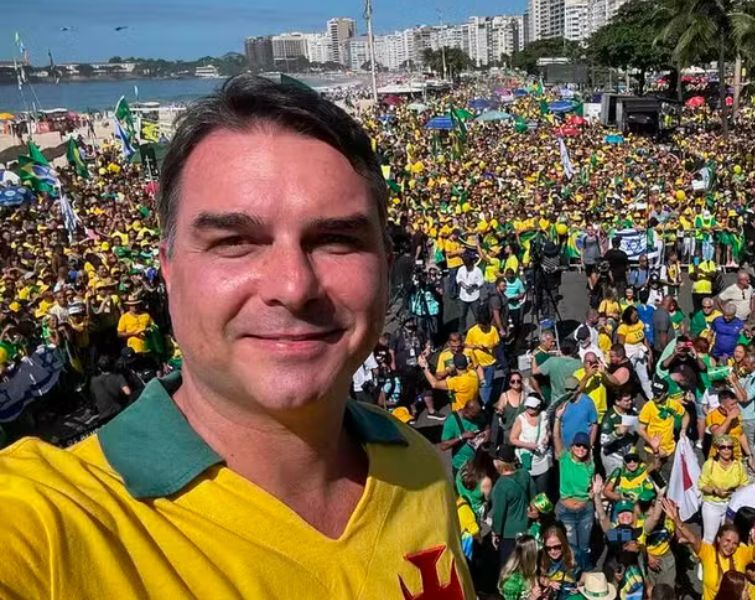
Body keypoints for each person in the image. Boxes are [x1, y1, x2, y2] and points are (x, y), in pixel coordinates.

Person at [0, 77, 474, 596]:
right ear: (169, 269)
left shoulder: (420, 468)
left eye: (336, 239)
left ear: (386, 266)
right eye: (234, 241)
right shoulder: (51, 520)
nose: (293, 286)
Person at [663, 496, 742, 600]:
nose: (730, 546)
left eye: (735, 543)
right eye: (727, 541)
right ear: (718, 539)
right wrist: (676, 519)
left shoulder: (741, 552)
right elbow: (693, 539)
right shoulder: (708, 552)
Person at [553, 424, 598, 571]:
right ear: (572, 446)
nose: (581, 449)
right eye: (578, 445)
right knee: (571, 547)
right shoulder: (564, 459)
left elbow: (592, 486)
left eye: (584, 447)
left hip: (585, 510)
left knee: (584, 547)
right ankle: (573, 575)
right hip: (566, 511)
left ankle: (585, 573)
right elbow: (556, 437)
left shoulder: (590, 465)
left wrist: (593, 492)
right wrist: (558, 419)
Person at [490, 445, 537, 562]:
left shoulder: (500, 486)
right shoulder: (525, 474)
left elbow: (499, 515)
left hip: (509, 536)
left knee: (510, 570)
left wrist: (495, 533)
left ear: (498, 463)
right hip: (528, 530)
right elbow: (534, 499)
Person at [700, 433, 750, 542]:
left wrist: (735, 491)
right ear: (717, 449)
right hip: (712, 504)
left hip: (731, 504)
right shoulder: (709, 464)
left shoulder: (738, 465)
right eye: (723, 447)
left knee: (728, 537)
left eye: (729, 447)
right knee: (710, 538)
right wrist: (715, 491)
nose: (726, 450)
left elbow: (744, 483)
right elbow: (702, 485)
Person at [638, 379, 685, 473]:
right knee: (652, 474)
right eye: (654, 393)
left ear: (666, 393)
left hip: (670, 449)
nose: (655, 396)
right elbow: (640, 429)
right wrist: (652, 444)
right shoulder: (648, 406)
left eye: (658, 394)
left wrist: (683, 429)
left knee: (673, 477)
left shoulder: (673, 404)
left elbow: (685, 415)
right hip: (653, 450)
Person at [510, 396, 553, 494]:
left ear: (538, 407)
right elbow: (512, 439)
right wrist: (528, 445)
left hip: (542, 460)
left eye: (532, 407)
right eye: (528, 407)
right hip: (526, 459)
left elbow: (548, 431)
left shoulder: (544, 416)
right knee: (528, 490)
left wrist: (547, 437)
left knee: (542, 492)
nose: (529, 409)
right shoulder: (521, 418)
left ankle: (541, 509)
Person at [439, 393, 488, 474]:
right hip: (461, 466)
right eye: (473, 417)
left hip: (478, 463)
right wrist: (462, 437)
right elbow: (443, 446)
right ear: (466, 411)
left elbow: (487, 425)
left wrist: (487, 434)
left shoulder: (479, 415)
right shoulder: (451, 421)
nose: (476, 419)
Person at [465, 306, 501, 407]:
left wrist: (490, 346)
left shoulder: (493, 330)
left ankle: (484, 404)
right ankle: (475, 402)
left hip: (490, 362)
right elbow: (466, 344)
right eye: (482, 326)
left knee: (488, 385)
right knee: (475, 385)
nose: (484, 328)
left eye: (486, 326)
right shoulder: (472, 331)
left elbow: (497, 342)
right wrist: (476, 346)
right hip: (476, 364)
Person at [538, 524, 581, 599]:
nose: (553, 551)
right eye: (548, 548)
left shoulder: (576, 553)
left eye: (557, 547)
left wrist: (580, 585)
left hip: (572, 595)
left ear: (563, 543)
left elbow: (587, 573)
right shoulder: (540, 556)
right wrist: (548, 582)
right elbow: (535, 577)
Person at [498, 534, 542, 600]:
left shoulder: (530, 571)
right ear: (530, 557)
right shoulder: (512, 580)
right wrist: (532, 598)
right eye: (537, 554)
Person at [455, 253, 485, 332]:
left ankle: (479, 331)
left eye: (469, 265)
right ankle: (461, 332)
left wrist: (474, 285)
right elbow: (458, 278)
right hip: (463, 297)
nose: (467, 267)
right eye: (466, 265)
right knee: (462, 316)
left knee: (477, 316)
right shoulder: (461, 269)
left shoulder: (478, 271)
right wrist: (462, 283)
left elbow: (481, 282)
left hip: (474, 297)